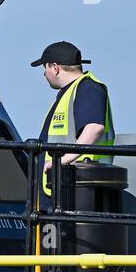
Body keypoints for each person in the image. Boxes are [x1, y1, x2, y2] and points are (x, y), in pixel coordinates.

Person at [31, 42, 114, 205]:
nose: (44, 74)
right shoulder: (72, 92)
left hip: (78, 190)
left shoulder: (88, 88)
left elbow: (95, 128)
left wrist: (62, 160)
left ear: (55, 67)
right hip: (62, 186)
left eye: (45, 68)